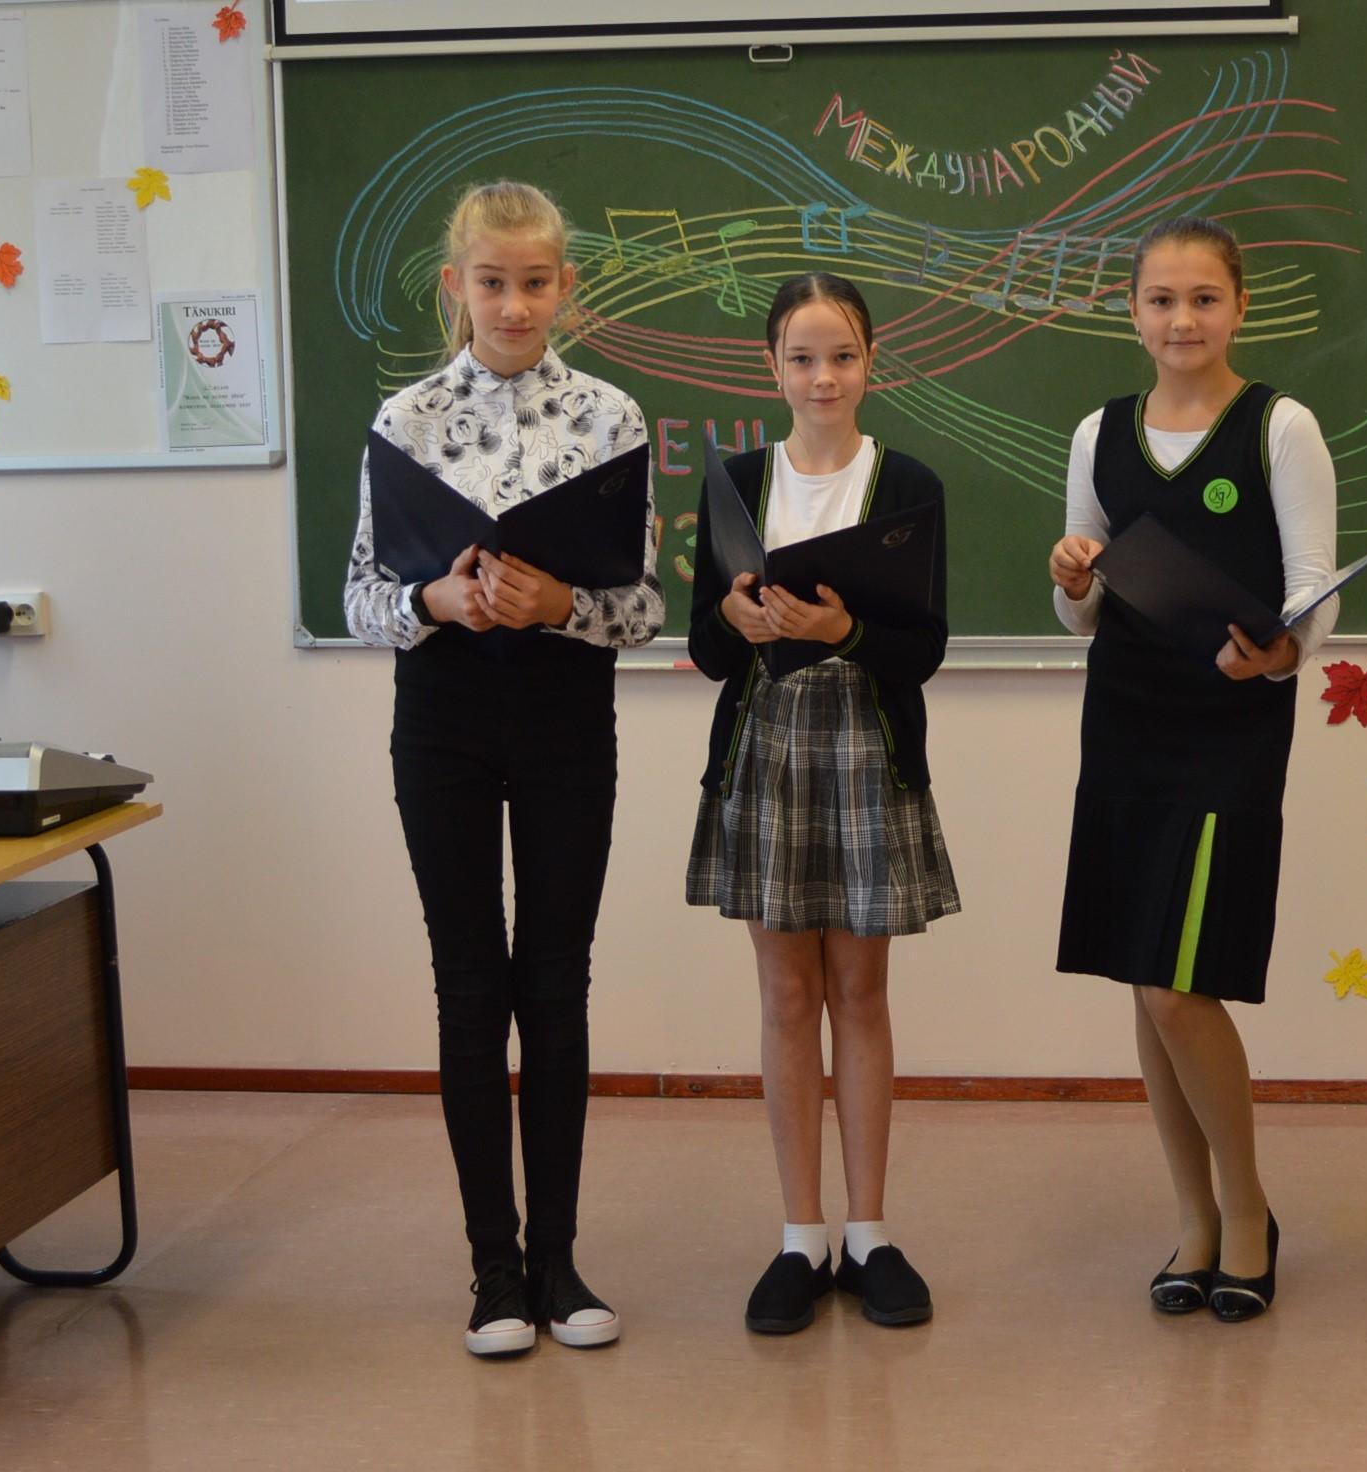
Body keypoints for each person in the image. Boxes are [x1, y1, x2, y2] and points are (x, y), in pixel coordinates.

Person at [344, 181, 663, 1357]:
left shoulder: (611, 416)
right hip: (443, 721)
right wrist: (436, 597)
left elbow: (643, 609)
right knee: (469, 981)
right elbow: (359, 598)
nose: (515, 303)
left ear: (565, 285)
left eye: (535, 281)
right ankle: (493, 1266)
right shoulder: (405, 418)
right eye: (493, 281)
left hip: (566, 716)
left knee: (556, 979)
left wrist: (559, 601)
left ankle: (559, 1260)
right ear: (456, 285)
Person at [1048, 215, 1337, 1324]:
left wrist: (1282, 651)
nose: (1183, 319)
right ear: (1131, 312)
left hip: (1229, 723)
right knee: (1145, 973)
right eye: (1162, 299)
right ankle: (1195, 1219)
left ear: (1239, 307)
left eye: (1204, 297)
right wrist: (1073, 578)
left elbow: (1314, 585)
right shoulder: (1098, 432)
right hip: (1125, 719)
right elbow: (1080, 608)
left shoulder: (1281, 426)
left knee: (1180, 985)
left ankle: (1249, 1208)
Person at [687, 272, 958, 1335]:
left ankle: (870, 1232)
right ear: (773, 368)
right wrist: (739, 622)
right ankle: (801, 1235)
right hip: (766, 749)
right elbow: (708, 648)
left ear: (869, 362)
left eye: (841, 356)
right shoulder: (735, 481)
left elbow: (923, 648)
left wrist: (842, 631)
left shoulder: (908, 483)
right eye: (801, 358)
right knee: (786, 995)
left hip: (864, 747)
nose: (823, 377)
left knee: (860, 992)